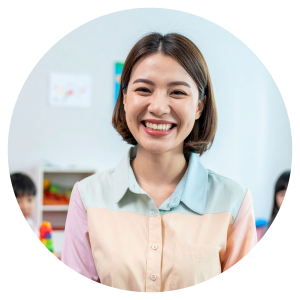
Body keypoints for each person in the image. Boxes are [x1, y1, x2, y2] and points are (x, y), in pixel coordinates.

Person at [61, 32, 257, 292]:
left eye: (177, 92)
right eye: (143, 89)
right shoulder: (87, 197)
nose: (159, 107)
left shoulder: (234, 201)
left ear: (199, 106)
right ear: (125, 97)